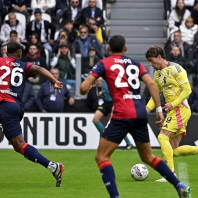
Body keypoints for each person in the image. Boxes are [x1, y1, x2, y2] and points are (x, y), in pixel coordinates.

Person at [80, 35, 191, 198]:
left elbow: (83, 88)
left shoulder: (104, 63)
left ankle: (115, 196)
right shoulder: (136, 64)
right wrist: (159, 110)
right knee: (148, 156)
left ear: (109, 49)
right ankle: (178, 184)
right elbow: (152, 85)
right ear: (125, 49)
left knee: (102, 156)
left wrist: (86, 87)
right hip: (139, 112)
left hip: (122, 112)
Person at [145, 46, 198, 182]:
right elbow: (155, 96)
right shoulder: (157, 74)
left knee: (162, 138)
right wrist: (145, 111)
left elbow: (187, 90)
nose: (150, 64)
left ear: (159, 57)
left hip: (180, 108)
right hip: (173, 110)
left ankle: (170, 174)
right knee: (173, 150)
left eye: (151, 60)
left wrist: (173, 103)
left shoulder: (176, 69)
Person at [0, 42, 63, 187]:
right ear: (19, 54)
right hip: (14, 106)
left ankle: (53, 167)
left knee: (19, 144)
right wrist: (55, 80)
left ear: (6, 52)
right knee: (18, 146)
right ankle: (53, 167)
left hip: (4, 105)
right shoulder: (24, 65)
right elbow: (38, 68)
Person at [92, 77, 134, 150]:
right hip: (106, 103)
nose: (98, 81)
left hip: (114, 103)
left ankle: (129, 143)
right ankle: (105, 138)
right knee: (95, 119)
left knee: (117, 124)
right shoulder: (102, 78)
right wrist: (102, 93)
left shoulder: (112, 78)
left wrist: (116, 104)